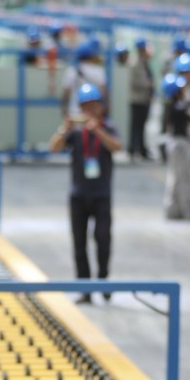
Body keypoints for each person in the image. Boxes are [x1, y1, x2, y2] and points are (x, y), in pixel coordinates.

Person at [48, 83, 122, 304]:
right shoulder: (75, 133)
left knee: (103, 239)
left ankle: (103, 281)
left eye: (93, 106)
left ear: (100, 107)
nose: (89, 110)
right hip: (78, 195)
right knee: (79, 243)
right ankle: (84, 287)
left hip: (101, 195)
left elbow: (117, 147)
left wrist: (98, 129)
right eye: (85, 106)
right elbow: (54, 147)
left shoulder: (108, 127)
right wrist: (65, 128)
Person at [161, 61, 190, 221]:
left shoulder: (176, 104)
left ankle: (172, 210)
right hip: (179, 144)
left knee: (176, 178)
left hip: (176, 143)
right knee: (184, 179)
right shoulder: (177, 106)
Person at [60, 41, 106, 117]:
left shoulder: (71, 71)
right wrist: (104, 110)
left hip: (75, 112)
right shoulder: (98, 71)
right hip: (93, 113)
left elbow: (65, 94)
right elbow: (103, 92)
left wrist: (64, 111)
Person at [129, 38, 155, 160]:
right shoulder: (135, 64)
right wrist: (148, 84)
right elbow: (134, 82)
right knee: (136, 126)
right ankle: (133, 149)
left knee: (143, 125)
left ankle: (142, 149)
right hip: (137, 100)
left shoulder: (145, 63)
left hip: (145, 100)